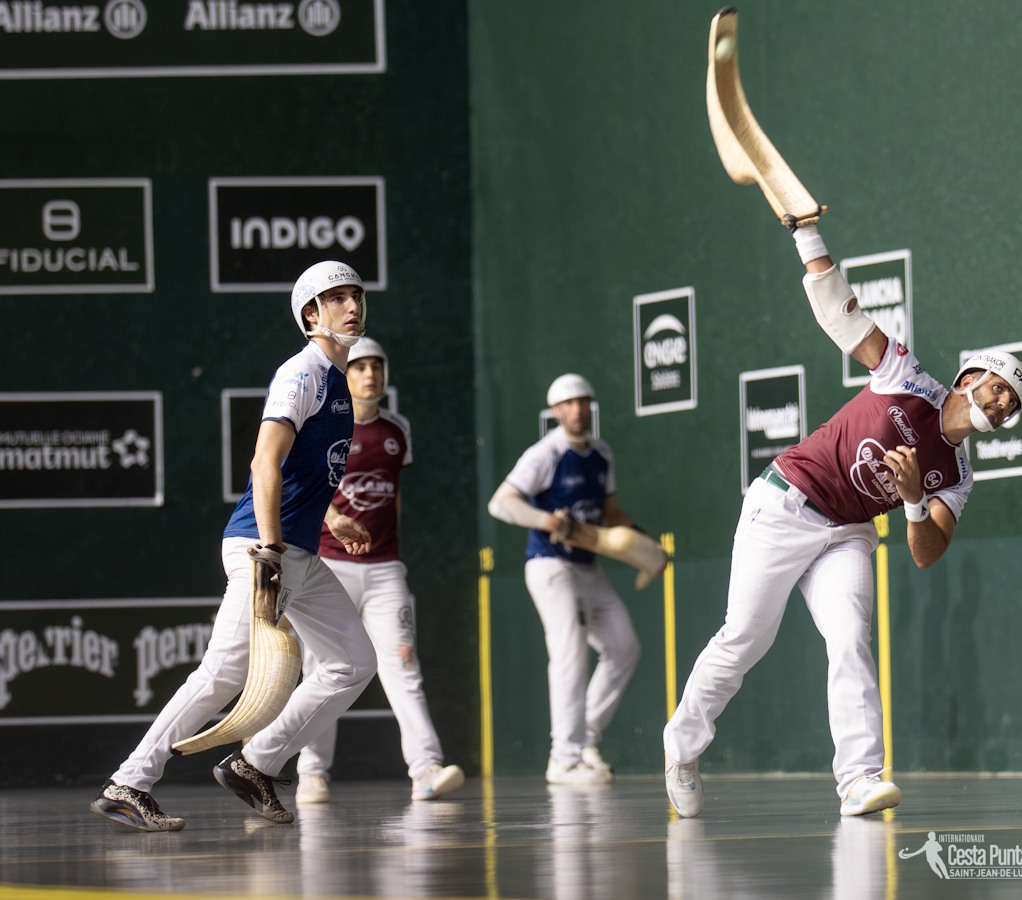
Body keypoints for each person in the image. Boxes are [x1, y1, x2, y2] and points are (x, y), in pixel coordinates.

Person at [661, 217, 1022, 818]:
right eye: (999, 386)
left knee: (850, 635)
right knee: (746, 636)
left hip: (847, 533)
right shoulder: (906, 376)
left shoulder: (958, 476)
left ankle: (858, 779)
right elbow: (843, 317)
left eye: (1012, 403)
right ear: (969, 378)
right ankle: (680, 751)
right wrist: (808, 237)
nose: (1003, 401)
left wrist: (913, 499)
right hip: (786, 501)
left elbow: (927, 551)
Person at [90, 260, 381, 831]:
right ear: (310, 315)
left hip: (300, 554)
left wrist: (333, 515)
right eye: (336, 298)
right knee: (223, 672)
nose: (352, 306)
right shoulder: (302, 373)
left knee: (352, 663)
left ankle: (256, 763)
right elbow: (264, 462)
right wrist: (270, 550)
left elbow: (305, 472)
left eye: (356, 295)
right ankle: (129, 782)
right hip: (264, 548)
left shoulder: (337, 382)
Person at [292, 336, 466, 805]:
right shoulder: (325, 426)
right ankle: (312, 773)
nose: (370, 374)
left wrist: (390, 549)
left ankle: (426, 769)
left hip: (386, 568)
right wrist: (331, 522)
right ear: (344, 374)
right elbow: (304, 489)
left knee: (403, 663)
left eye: (377, 367)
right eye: (360, 366)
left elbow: (395, 495)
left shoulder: (397, 430)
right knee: (323, 666)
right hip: (330, 566)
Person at [487, 374, 643, 784]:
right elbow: (501, 503)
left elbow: (611, 512)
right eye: (568, 404)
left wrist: (645, 544)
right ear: (556, 411)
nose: (577, 410)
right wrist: (547, 520)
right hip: (549, 565)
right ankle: (563, 758)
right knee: (570, 651)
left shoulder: (601, 453)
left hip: (588, 567)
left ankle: (585, 740)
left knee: (624, 647)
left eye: (583, 402)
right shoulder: (546, 453)